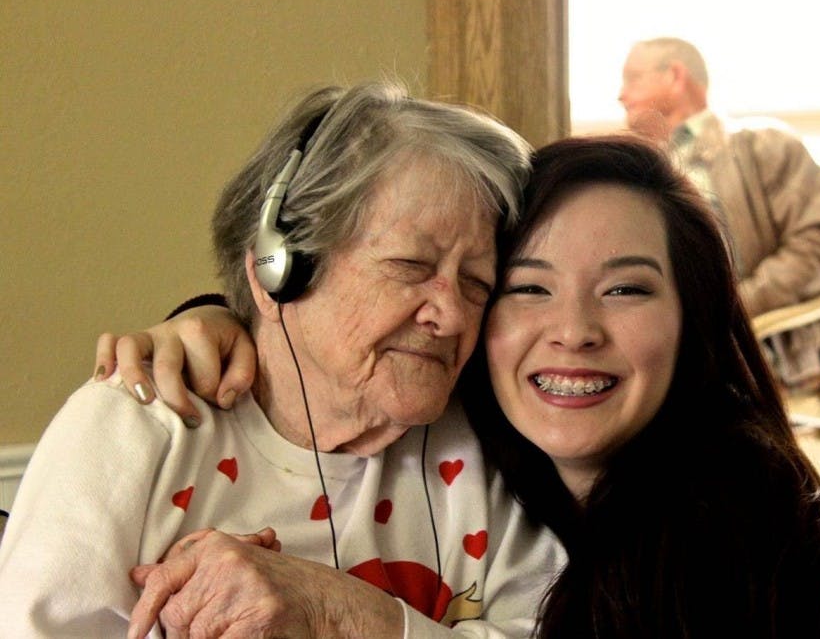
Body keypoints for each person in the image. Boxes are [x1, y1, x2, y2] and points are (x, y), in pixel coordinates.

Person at [96, 135, 820, 637]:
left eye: (627, 289)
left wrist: (353, 617)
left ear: (695, 321)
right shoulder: (454, 446)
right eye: (527, 288)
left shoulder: (748, 522)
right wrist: (219, 321)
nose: (573, 330)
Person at [0, 82, 566, 638]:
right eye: (411, 266)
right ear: (278, 272)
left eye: (476, 282)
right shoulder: (137, 429)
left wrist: (346, 615)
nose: (452, 315)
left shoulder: (494, 445)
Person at [619, 36, 820, 390]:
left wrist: (736, 308)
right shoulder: (631, 162)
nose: (621, 94)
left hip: (744, 339)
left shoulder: (765, 145)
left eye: (633, 78)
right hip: (652, 338)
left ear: (675, 77)